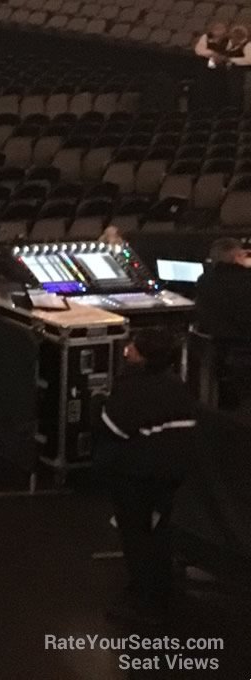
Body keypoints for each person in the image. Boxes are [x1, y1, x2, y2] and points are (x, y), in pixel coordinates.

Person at [96, 326, 200, 627]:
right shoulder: (176, 386)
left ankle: (145, 602)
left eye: (133, 346)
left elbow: (113, 428)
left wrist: (98, 406)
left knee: (135, 534)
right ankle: (159, 590)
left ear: (141, 355)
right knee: (158, 531)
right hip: (172, 473)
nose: (127, 349)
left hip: (137, 472)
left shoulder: (133, 387)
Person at [195, 238, 251, 407]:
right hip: (244, 342)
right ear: (237, 256)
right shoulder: (246, 280)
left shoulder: (204, 279)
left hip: (216, 344)